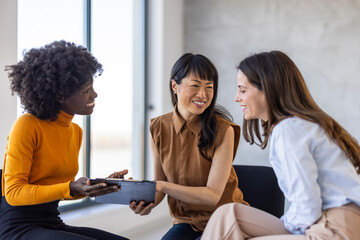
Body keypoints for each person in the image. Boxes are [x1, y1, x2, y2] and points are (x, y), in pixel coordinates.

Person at [201, 50, 360, 240]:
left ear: (268, 89)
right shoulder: (301, 125)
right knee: (229, 215)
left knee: (231, 222)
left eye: (243, 90)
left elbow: (307, 206)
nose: (237, 97)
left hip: (332, 231)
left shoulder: (289, 129)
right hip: (335, 224)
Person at [0, 40, 129, 240]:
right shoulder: (27, 125)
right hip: (18, 227)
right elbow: (14, 193)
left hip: (51, 222)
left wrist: (97, 187)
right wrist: (71, 187)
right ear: (60, 96)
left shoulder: (75, 131)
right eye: (86, 90)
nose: (95, 94)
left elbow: (58, 189)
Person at [129, 53, 248, 240]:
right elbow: (159, 183)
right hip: (185, 222)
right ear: (174, 86)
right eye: (195, 85)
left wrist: (162, 186)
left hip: (225, 220)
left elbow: (212, 196)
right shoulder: (158, 127)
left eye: (209, 87)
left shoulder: (224, 130)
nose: (203, 94)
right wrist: (144, 202)